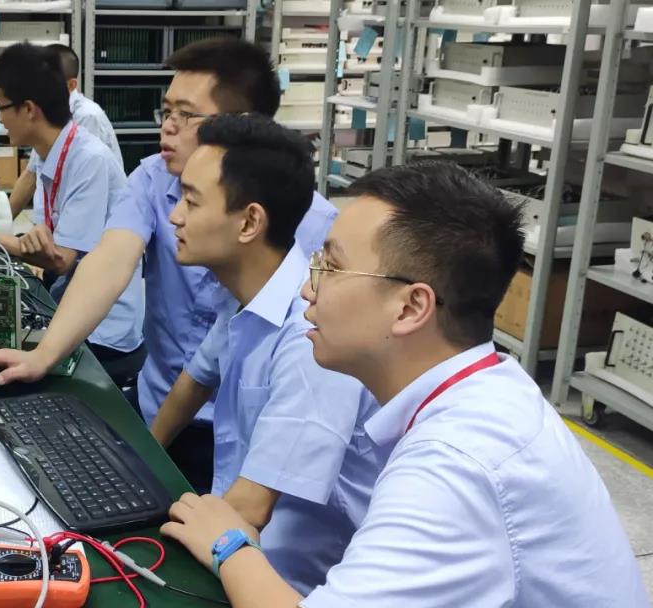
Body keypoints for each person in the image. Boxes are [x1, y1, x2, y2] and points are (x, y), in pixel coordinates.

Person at [158, 162, 649, 607]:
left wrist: (229, 544)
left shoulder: (455, 464)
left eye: (331, 267)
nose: (308, 288)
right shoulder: (484, 388)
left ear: (411, 307)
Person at [0, 38, 339, 492]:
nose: (168, 128)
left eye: (185, 115)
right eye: (166, 111)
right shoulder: (153, 178)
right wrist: (44, 355)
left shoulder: (313, 226)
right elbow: (108, 263)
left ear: (242, 127)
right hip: (163, 404)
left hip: (253, 439)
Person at [149, 113, 380, 593]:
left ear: (250, 221)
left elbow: (251, 509)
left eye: (192, 201)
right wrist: (141, 459)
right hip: (237, 541)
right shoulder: (244, 296)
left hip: (286, 582)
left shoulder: (309, 338)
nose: (175, 216)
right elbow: (194, 380)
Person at [0, 43, 144, 376]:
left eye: (0, 107)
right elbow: (44, 242)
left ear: (29, 109)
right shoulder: (50, 149)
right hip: (66, 303)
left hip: (101, 329)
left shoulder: (89, 159)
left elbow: (60, 259)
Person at [8, 43, 122, 219]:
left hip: (81, 225)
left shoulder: (87, 116)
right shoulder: (46, 115)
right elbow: (31, 174)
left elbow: (85, 189)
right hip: (50, 226)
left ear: (71, 85)